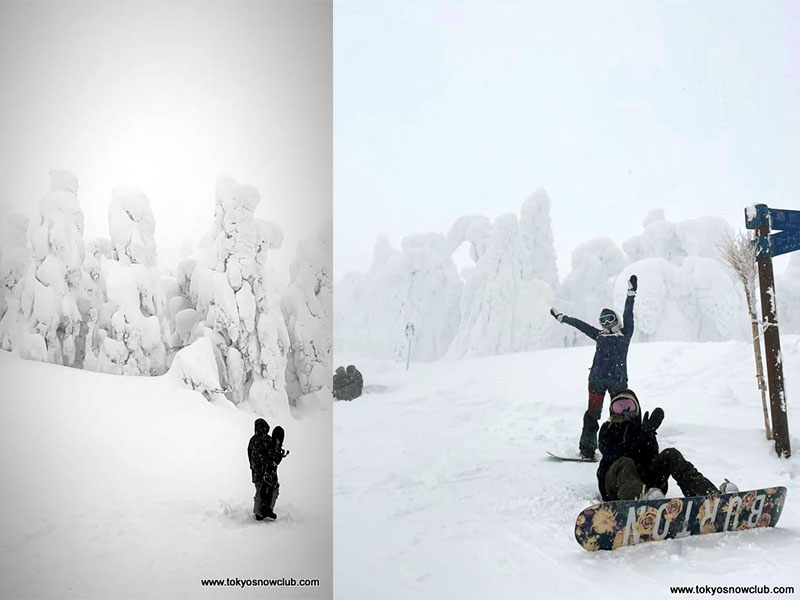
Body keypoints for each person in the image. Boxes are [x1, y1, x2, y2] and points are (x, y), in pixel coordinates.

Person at [550, 274, 638, 459]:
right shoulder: (599, 335)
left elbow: (628, 313)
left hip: (618, 382)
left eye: (609, 319)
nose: (606, 323)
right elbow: (581, 325)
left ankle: (622, 447)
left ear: (616, 320)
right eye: (603, 320)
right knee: (592, 414)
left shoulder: (624, 334)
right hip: (596, 381)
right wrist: (562, 318)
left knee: (621, 414)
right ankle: (587, 449)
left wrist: (631, 294)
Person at [598, 390, 737, 501]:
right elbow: (611, 455)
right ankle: (639, 499)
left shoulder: (643, 429)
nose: (624, 410)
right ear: (612, 410)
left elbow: (651, 457)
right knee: (625, 462)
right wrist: (637, 437)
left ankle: (708, 494)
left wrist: (648, 435)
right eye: (618, 406)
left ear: (637, 408)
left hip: (650, 488)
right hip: (615, 486)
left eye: (628, 405)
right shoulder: (607, 429)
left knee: (671, 454)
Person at [261, 426, 290, 520]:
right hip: (270, 470)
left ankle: (265, 509)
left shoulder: (269, 443)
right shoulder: (274, 446)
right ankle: (267, 510)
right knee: (272, 489)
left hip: (267, 470)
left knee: (267, 490)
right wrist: (280, 455)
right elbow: (274, 460)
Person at [247, 418, 272, 520]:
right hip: (265, 471)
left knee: (259, 490)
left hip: (255, 471)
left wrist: (253, 466)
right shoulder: (267, 440)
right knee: (268, 490)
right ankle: (262, 511)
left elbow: (249, 454)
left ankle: (259, 511)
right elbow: (272, 455)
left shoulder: (253, 440)